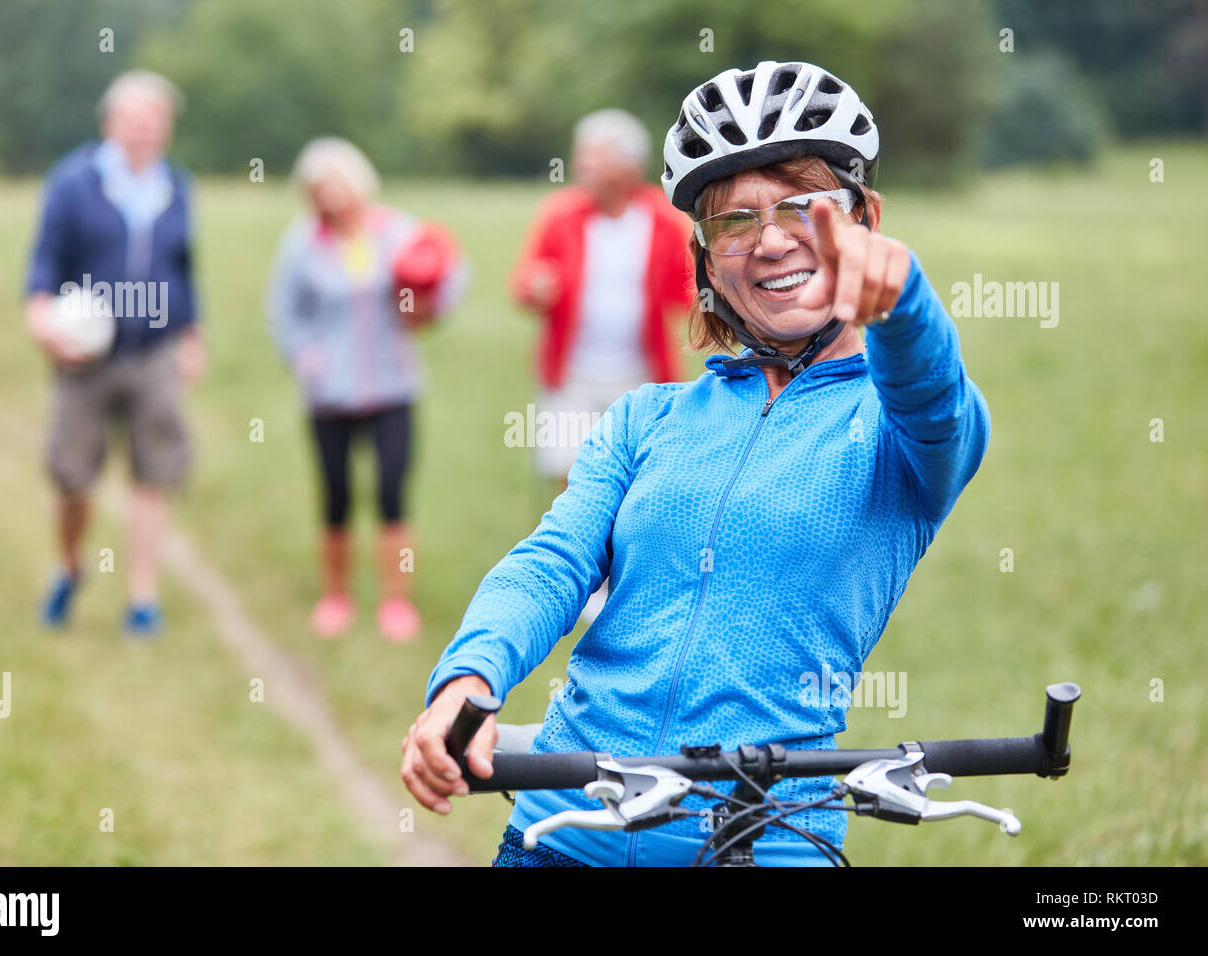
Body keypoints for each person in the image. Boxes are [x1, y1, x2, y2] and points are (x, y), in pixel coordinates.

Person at [401, 60, 991, 866]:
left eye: (801, 205)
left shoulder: (899, 430)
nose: (773, 238)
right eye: (734, 222)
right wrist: (466, 682)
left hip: (775, 832)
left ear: (866, 219)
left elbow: (935, 397)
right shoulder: (649, 417)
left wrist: (906, 306)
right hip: (572, 826)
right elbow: (550, 565)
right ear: (709, 262)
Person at [26, 70, 204, 637]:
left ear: (167, 128)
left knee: (153, 475)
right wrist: (40, 317)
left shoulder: (177, 186)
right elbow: (46, 260)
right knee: (73, 479)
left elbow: (183, 267)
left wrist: (191, 333)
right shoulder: (73, 181)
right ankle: (70, 566)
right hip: (84, 358)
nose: (145, 128)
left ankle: (142, 599)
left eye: (156, 119)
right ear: (110, 122)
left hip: (153, 353)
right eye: (134, 117)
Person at [268, 137, 467, 643]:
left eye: (339, 188)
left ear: (359, 186)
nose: (331, 200)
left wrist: (430, 306)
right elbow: (283, 309)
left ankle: (396, 602)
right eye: (319, 191)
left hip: (392, 386)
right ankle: (335, 597)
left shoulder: (398, 232)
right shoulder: (301, 242)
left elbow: (453, 270)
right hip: (328, 394)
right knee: (335, 494)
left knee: (390, 492)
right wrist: (304, 356)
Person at [511, 108, 693, 489]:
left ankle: (623, 551)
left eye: (595, 156)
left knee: (637, 479)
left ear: (630, 165)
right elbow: (524, 284)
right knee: (571, 478)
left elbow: (690, 291)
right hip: (572, 374)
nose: (582, 165)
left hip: (641, 375)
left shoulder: (661, 219)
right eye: (581, 155)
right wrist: (536, 287)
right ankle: (579, 550)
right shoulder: (561, 215)